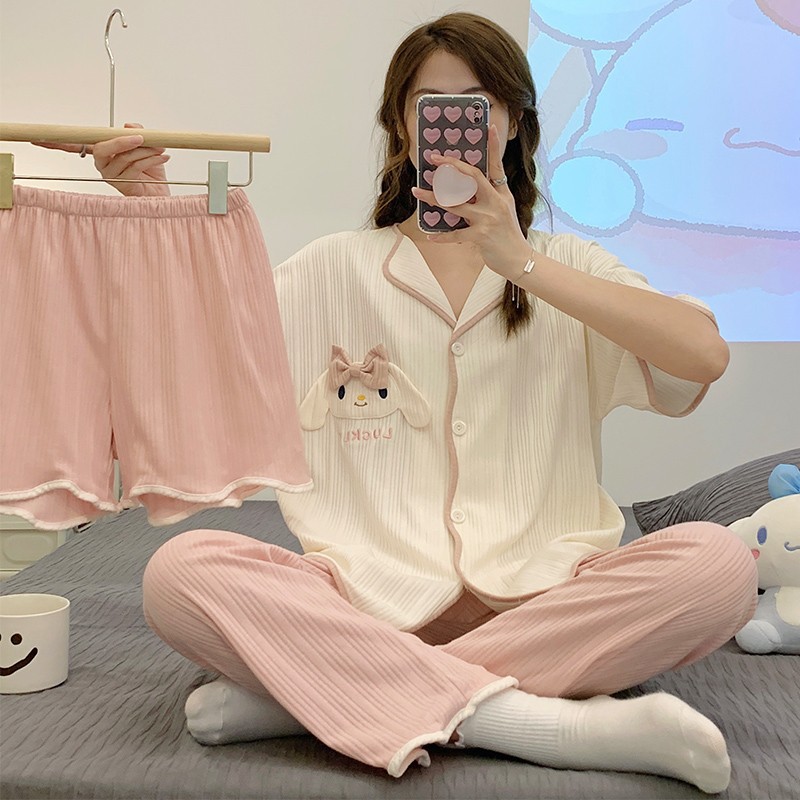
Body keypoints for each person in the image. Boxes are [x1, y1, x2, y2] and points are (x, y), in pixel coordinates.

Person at [43, 12, 757, 794]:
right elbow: (193, 358)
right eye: (431, 106)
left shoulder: (567, 267)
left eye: (479, 103)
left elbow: (702, 354)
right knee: (182, 573)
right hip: (364, 606)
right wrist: (150, 203)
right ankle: (534, 722)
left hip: (551, 601)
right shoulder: (331, 270)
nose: (456, 125)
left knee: (719, 565)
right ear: (401, 127)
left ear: (513, 122)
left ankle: (325, 695)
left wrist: (520, 261)